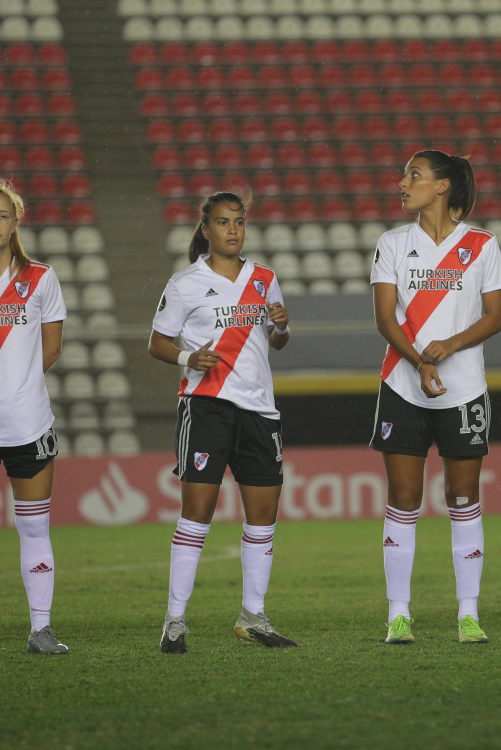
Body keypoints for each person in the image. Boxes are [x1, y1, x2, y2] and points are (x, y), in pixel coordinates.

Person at [148, 190, 297, 653]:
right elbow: (157, 342)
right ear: (206, 229)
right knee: (197, 513)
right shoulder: (185, 283)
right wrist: (188, 357)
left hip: (260, 410)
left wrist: (281, 326)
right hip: (206, 405)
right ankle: (175, 621)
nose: (233, 229)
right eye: (223, 222)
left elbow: (277, 341)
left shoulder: (264, 278)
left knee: (263, 517)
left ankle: (254, 617)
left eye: (239, 221)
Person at [370, 150, 501, 645]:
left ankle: (468, 614)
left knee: (463, 499)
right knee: (403, 500)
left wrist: (450, 345)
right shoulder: (391, 243)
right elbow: (385, 319)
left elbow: (495, 316)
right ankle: (398, 615)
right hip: (402, 386)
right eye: (405, 174)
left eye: (414, 175)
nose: (403, 183)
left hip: (464, 389)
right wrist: (421, 361)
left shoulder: (483, 245)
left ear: (443, 186)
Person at [0, 178, 68, 655]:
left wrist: (15, 388)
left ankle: (41, 630)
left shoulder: (42, 278)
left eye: (2, 215)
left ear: (15, 220)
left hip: (30, 424)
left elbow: (51, 349)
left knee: (34, 526)